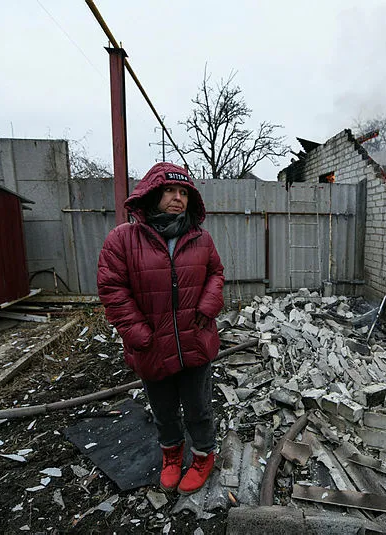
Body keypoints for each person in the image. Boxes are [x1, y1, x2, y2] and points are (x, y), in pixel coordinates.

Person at [97, 162, 224, 495]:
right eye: (170, 190)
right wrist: (138, 334)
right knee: (164, 410)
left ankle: (202, 457)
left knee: (199, 408)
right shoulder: (122, 239)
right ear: (152, 194)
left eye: (183, 192)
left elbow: (216, 274)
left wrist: (208, 305)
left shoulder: (201, 238)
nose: (177, 198)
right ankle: (171, 456)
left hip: (194, 342)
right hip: (151, 346)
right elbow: (112, 290)